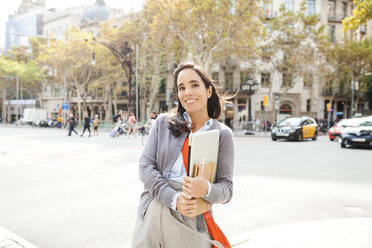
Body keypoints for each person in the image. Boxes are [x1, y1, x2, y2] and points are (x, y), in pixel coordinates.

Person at [131, 62, 234, 248]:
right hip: (156, 210)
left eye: (194, 85)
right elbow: (145, 168)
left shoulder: (222, 134)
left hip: (193, 219)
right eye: (182, 87)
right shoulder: (163, 123)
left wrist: (206, 189)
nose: (188, 92)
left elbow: (227, 190)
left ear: (209, 91)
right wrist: (173, 198)